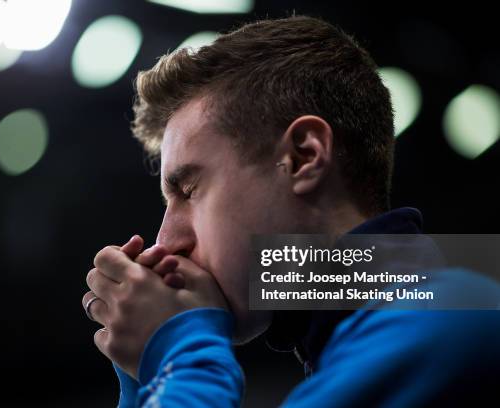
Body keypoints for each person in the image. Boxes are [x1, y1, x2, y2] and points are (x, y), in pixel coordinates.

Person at [82, 15, 500, 407]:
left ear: (303, 157)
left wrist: (177, 351)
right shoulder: (398, 333)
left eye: (190, 189)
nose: (166, 241)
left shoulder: (449, 324)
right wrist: (152, 381)